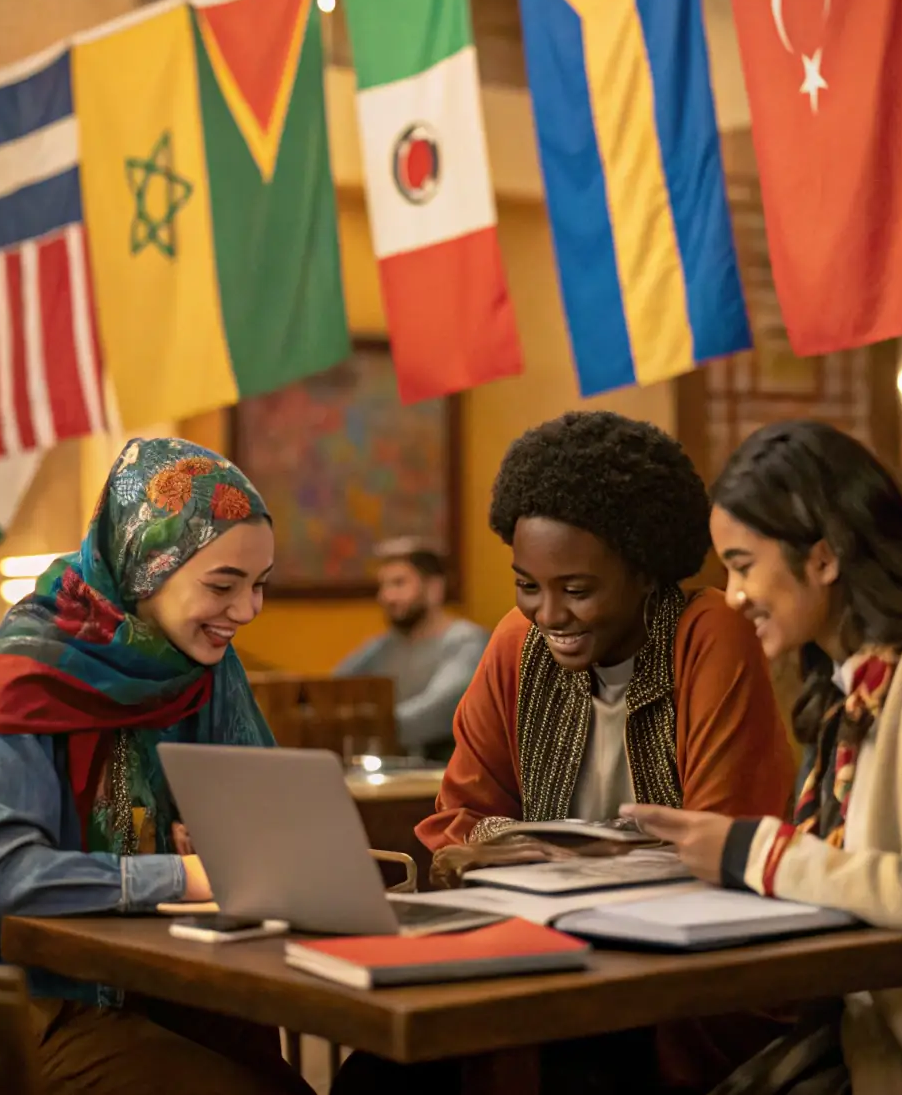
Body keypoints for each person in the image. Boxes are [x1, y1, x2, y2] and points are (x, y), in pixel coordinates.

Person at [335, 412, 796, 1095]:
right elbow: (458, 820)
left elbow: (725, 839)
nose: (548, 614)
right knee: (375, 1078)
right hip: (529, 961)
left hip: (675, 991)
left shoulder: (708, 635)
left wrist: (540, 855)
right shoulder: (515, 644)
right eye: (528, 585)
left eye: (577, 589)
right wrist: (516, 854)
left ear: (643, 571)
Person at [621, 419, 902, 1095]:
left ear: (823, 557)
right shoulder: (847, 686)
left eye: (742, 565)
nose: (732, 596)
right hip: (859, 1047)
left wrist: (757, 855)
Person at [0, 436, 312, 1095]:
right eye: (223, 584)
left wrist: (233, 846)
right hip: (38, 1008)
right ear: (147, 563)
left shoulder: (203, 669)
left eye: (259, 585)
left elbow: (272, 838)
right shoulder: (22, 677)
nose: (247, 611)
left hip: (181, 986)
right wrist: (183, 874)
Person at [335, 541, 487, 760]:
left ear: (435, 589)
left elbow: (436, 711)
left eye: (398, 584)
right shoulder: (382, 647)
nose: (387, 597)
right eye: (383, 586)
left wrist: (360, 728)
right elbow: (333, 688)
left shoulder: (467, 643)